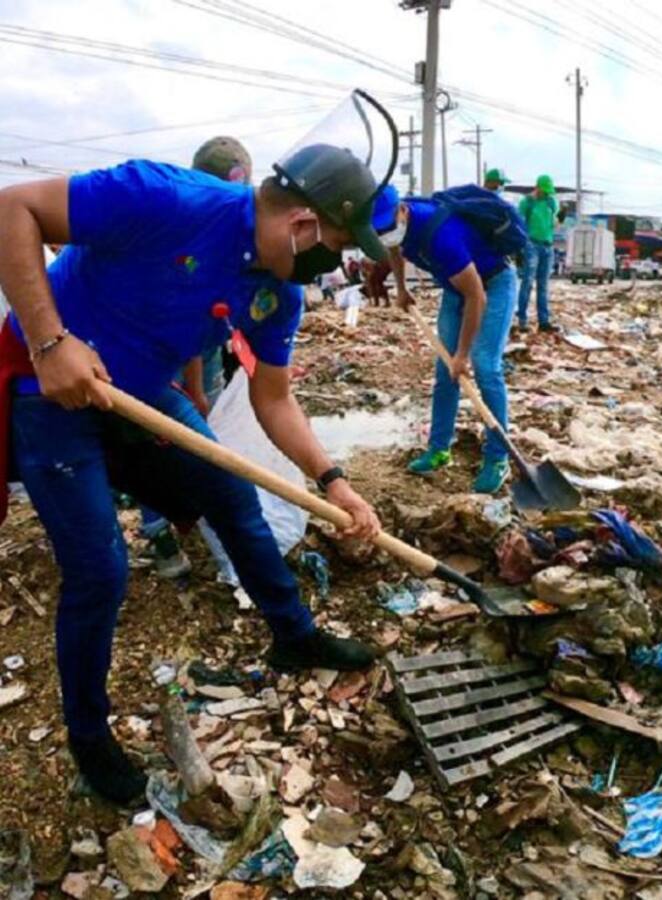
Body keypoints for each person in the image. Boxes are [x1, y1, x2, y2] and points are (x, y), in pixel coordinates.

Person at [0, 142, 392, 804]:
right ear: (301, 225)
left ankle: (293, 634)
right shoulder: (165, 197)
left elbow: (274, 399)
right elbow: (13, 208)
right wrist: (50, 342)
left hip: (141, 390)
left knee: (233, 497)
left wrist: (335, 482)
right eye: (336, 244)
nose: (337, 262)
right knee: (100, 569)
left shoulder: (277, 293)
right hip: (52, 389)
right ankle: (89, 736)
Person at [139, 135, 257, 580]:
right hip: (164, 352)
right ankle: (164, 529)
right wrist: (195, 389)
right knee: (164, 438)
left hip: (199, 346)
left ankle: (189, 521)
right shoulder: (178, 224)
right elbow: (184, 318)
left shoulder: (226, 219)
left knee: (193, 435)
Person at [366, 186, 519, 494]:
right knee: (444, 370)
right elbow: (394, 250)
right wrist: (401, 289)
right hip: (455, 288)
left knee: (484, 365)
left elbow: (477, 297)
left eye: (388, 227)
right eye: (379, 230)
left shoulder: (442, 237)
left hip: (494, 284)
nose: (386, 234)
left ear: (403, 211)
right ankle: (439, 448)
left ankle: (498, 457)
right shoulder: (396, 229)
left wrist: (462, 354)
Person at [517, 174, 559, 333]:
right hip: (531, 244)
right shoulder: (527, 202)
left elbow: (555, 221)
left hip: (548, 245)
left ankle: (544, 321)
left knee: (543, 285)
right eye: (544, 190)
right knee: (527, 282)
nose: (547, 193)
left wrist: (557, 220)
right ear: (538, 187)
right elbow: (519, 223)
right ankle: (522, 320)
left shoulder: (551, 202)